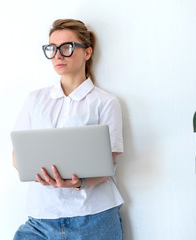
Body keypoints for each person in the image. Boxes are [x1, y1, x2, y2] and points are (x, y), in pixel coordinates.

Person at [12, 19, 124, 240]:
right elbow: (18, 154)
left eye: (67, 47)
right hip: (41, 218)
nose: (57, 55)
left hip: (95, 217)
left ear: (87, 52)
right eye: (52, 48)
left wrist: (78, 183)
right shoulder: (35, 99)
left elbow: (108, 162)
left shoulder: (105, 102)